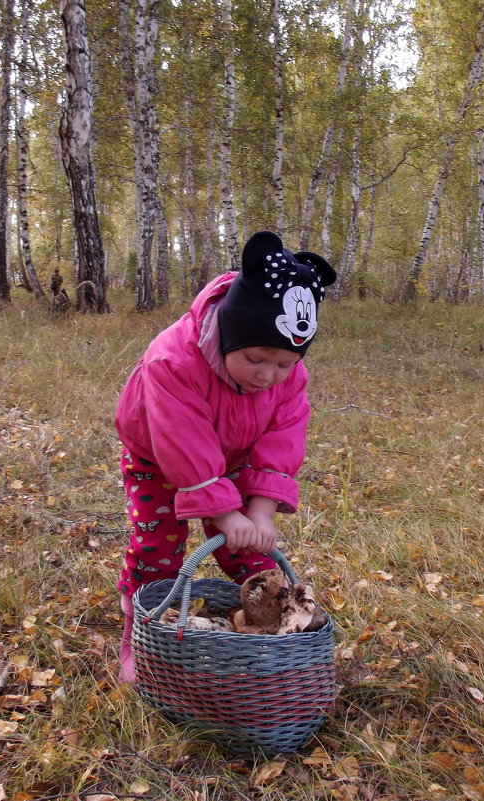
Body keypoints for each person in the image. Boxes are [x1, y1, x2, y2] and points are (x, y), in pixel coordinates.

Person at [113, 230, 336, 684]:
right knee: (158, 550)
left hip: (231, 458)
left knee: (253, 552)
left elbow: (281, 438)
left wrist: (259, 512)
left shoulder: (287, 378)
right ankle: (142, 633)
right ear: (232, 332)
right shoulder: (173, 361)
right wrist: (223, 511)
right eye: (257, 358)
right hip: (158, 457)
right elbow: (182, 442)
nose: (269, 375)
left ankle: (272, 639)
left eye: (285, 364)